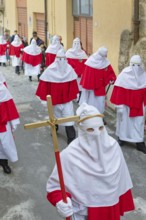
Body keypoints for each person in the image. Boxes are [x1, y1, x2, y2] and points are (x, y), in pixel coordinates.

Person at [46, 102, 135, 220]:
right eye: (90, 129)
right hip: (82, 213)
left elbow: (122, 181)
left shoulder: (113, 147)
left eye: (101, 128)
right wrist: (60, 202)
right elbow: (55, 187)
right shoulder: (69, 155)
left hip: (110, 210)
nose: (97, 134)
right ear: (82, 130)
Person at [36, 49, 79, 144]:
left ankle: (71, 137)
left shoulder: (69, 69)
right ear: (56, 59)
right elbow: (44, 85)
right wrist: (44, 98)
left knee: (69, 117)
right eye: (59, 59)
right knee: (54, 117)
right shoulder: (50, 70)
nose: (61, 62)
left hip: (67, 101)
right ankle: (54, 129)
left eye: (63, 59)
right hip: (54, 100)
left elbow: (73, 84)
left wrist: (75, 94)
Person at [110, 55, 146, 154]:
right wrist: (119, 105)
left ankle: (139, 142)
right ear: (130, 64)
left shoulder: (144, 75)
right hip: (125, 105)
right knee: (124, 123)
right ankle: (122, 138)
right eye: (134, 65)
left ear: (141, 65)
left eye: (138, 65)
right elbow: (118, 91)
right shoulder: (124, 75)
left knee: (138, 124)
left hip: (139, 105)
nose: (136, 68)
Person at [79, 46, 116, 114]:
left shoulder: (105, 61)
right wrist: (88, 87)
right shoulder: (90, 62)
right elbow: (87, 77)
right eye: (103, 56)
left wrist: (111, 79)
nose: (104, 58)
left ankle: (99, 117)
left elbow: (110, 72)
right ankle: (91, 117)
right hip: (91, 89)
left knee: (100, 103)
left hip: (100, 88)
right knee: (91, 104)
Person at [0, 82, 20, 174]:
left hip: (2, 121)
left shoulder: (2, 89)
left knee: (5, 143)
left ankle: (4, 162)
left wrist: (13, 121)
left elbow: (9, 105)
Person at [66, 38, 88, 102]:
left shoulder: (83, 53)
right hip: (71, 73)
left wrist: (79, 70)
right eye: (75, 43)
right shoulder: (68, 53)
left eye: (78, 43)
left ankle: (79, 98)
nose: (76, 45)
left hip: (80, 74)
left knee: (79, 87)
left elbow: (85, 64)